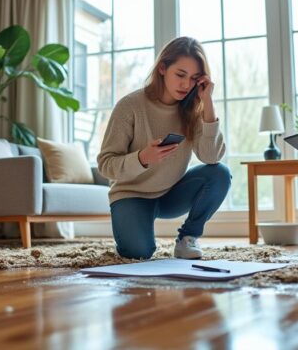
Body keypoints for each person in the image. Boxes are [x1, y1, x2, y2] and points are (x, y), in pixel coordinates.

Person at [97, 36, 231, 260]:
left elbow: (211, 157)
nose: (186, 85)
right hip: (132, 195)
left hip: (171, 194)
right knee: (138, 253)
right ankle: (130, 231)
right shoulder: (130, 106)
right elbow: (105, 164)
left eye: (194, 78)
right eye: (180, 75)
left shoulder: (193, 110)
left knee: (220, 173)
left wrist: (207, 102)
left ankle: (188, 238)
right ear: (162, 68)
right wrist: (142, 158)